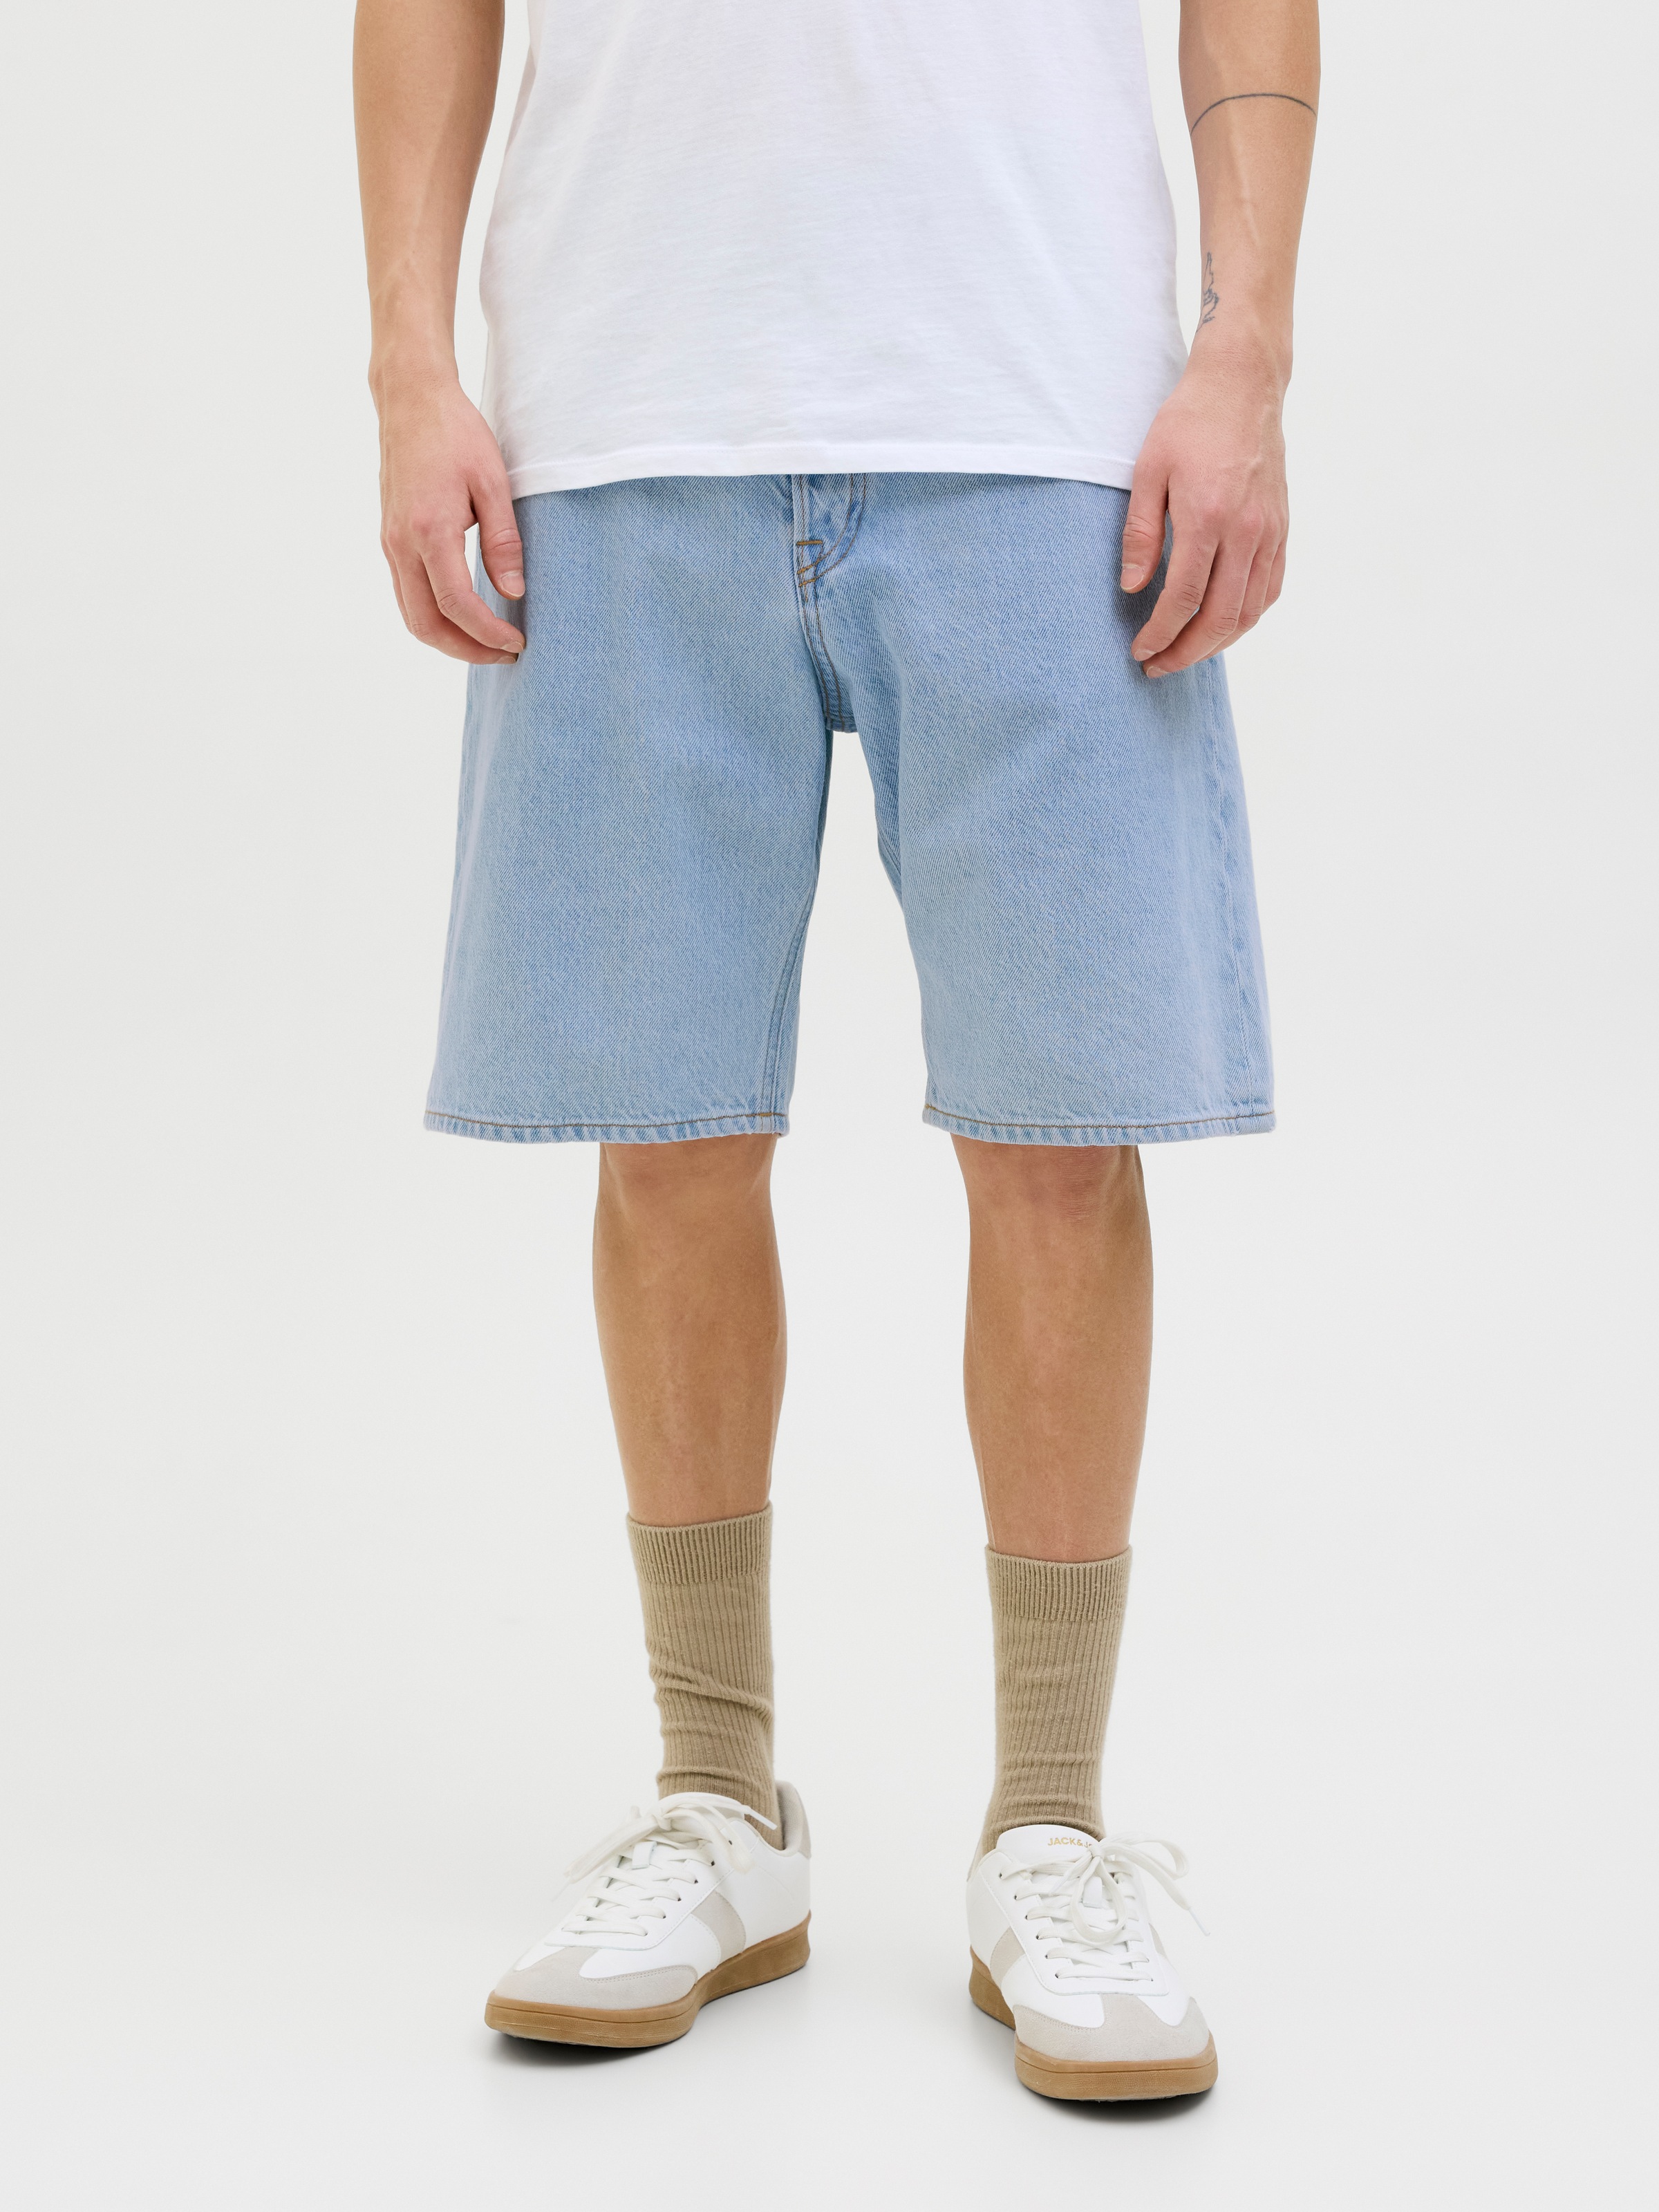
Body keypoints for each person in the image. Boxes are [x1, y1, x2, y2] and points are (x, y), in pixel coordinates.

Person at [353, 0, 1317, 2101]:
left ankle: (1049, 1828)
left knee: (1062, 1140)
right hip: (620, 413)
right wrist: (412, 367)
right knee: (665, 1132)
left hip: (1046, 408)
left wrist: (1243, 352)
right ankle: (719, 1805)